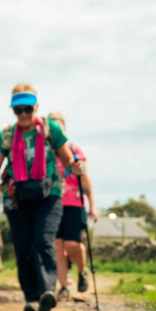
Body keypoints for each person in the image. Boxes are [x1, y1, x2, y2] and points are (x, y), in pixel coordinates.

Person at [0, 84, 82, 311]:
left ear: (36, 107)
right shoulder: (6, 135)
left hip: (50, 194)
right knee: (23, 246)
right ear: (13, 111)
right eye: (18, 110)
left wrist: (75, 167)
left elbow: (67, 163)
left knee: (43, 241)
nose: (24, 114)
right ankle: (31, 297)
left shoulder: (50, 129)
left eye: (28, 109)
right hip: (17, 197)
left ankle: (46, 292)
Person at [48, 112, 98, 300]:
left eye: (58, 126)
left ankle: (82, 270)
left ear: (64, 128)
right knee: (58, 246)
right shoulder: (47, 152)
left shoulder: (74, 149)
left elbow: (85, 180)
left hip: (74, 202)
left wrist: (92, 205)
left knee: (72, 244)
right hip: (53, 202)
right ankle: (64, 285)